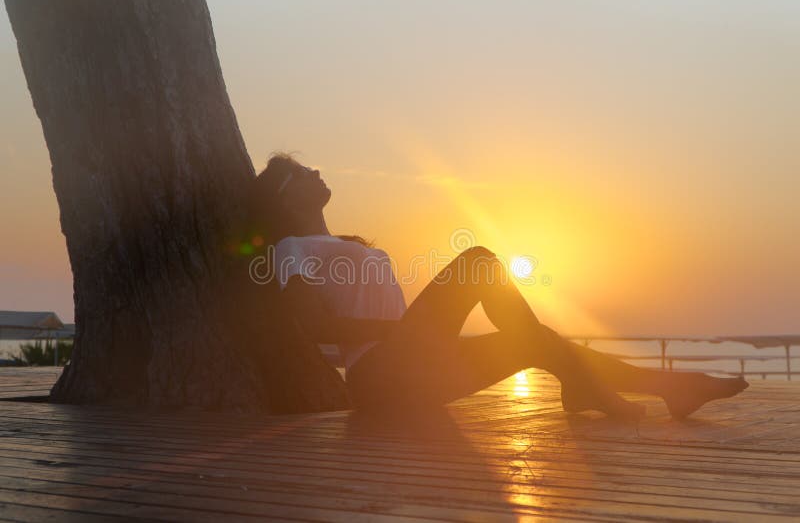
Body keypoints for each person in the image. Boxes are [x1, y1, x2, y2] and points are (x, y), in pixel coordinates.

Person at [249, 154, 748, 420]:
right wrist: (403, 328)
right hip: (380, 376)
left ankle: (673, 389)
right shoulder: (293, 247)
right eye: (300, 172)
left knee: (537, 340)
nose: (315, 170)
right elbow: (313, 328)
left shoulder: (342, 244)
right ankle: (586, 388)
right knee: (480, 262)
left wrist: (413, 333)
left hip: (416, 376)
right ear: (285, 197)